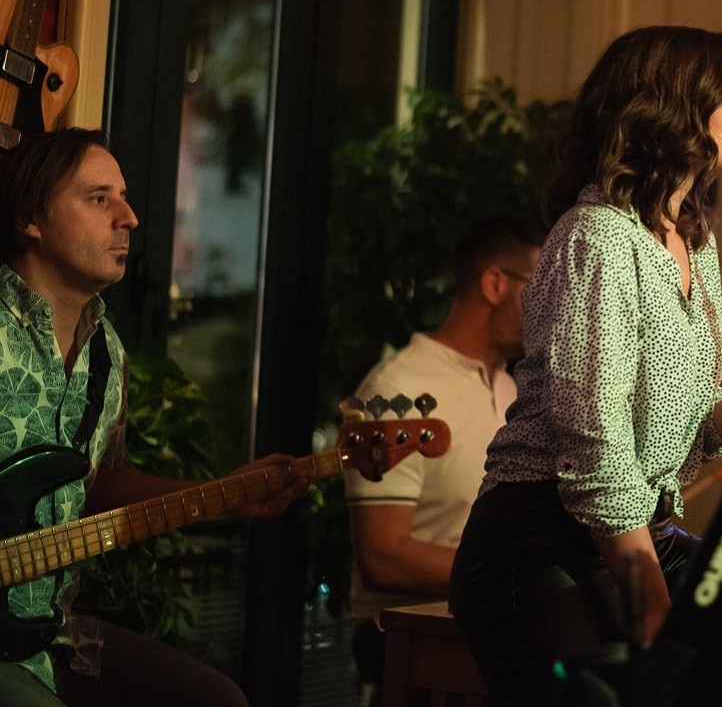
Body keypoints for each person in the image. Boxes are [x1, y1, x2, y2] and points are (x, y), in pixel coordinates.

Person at [449, 25, 722, 703]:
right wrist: (652, 613)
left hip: (637, 534)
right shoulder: (595, 238)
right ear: (672, 104)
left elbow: (688, 413)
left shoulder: (693, 243)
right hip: (542, 543)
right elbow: (596, 447)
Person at [0, 128, 308, 707]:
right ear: (29, 219)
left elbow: (98, 485)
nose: (129, 218)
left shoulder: (107, 354)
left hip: (50, 633)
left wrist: (224, 494)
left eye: (124, 197)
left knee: (215, 700)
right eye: (99, 199)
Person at [344, 214, 542, 702]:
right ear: (495, 284)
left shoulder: (513, 388)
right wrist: (516, 575)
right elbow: (382, 556)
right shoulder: (396, 389)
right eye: (542, 289)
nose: (554, 308)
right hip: (413, 644)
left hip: (489, 632)